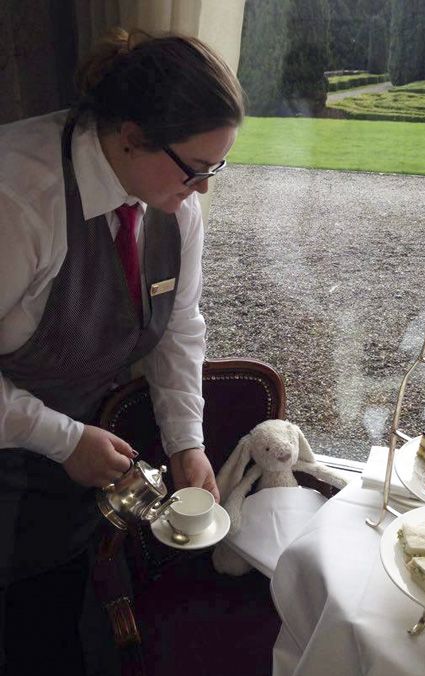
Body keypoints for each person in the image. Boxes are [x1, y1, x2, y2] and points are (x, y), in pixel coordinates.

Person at [0, 27, 244, 675]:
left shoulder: (170, 199)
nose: (204, 190)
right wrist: (61, 438)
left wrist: (186, 441)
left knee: (52, 627)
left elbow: (179, 326)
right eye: (196, 168)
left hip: (65, 472)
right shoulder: (17, 198)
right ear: (130, 133)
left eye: (216, 167)